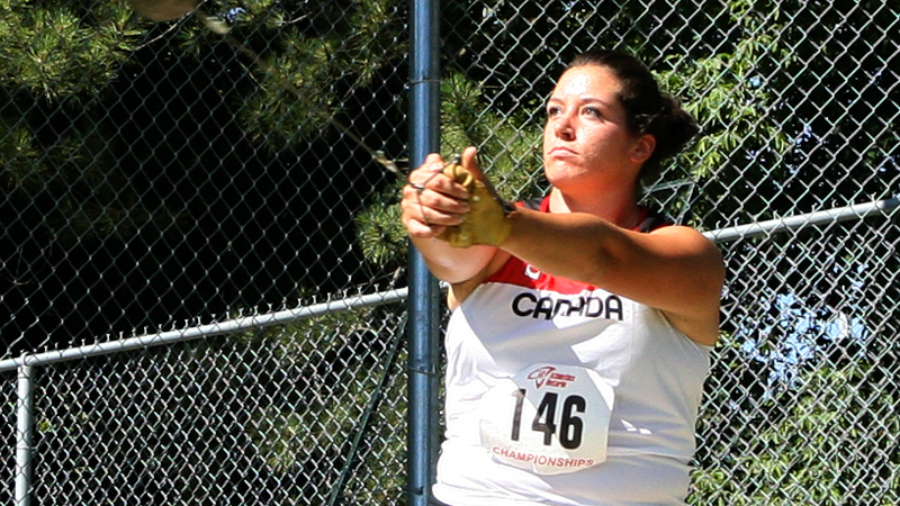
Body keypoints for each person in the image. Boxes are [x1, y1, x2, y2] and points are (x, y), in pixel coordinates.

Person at [400, 49, 724, 506]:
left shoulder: (686, 254)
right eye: (554, 110)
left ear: (640, 146)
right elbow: (450, 256)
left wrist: (505, 223)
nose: (563, 126)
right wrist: (431, 212)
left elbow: (603, 254)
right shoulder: (494, 242)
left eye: (591, 112)